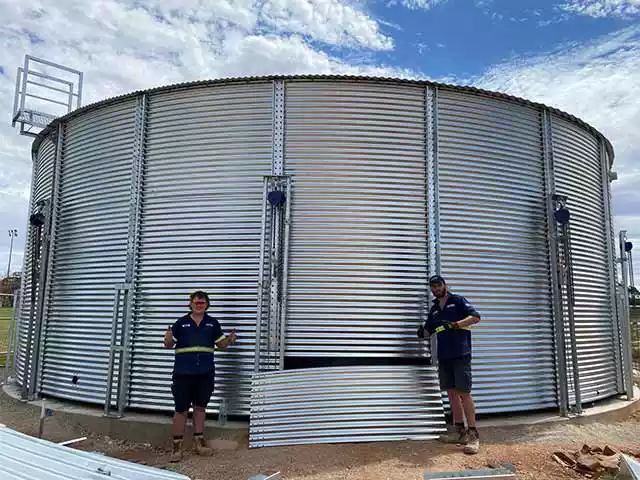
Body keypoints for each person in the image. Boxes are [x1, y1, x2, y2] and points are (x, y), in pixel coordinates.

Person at [163, 290, 237, 462]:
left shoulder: (212, 323)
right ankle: (177, 448)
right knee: (181, 410)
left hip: (205, 374)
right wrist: (167, 339)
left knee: (200, 408)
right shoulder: (181, 323)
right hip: (183, 374)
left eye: (202, 303)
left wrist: (230, 340)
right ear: (190, 304)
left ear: (207, 304)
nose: (199, 305)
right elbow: (168, 345)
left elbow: (222, 346)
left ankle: (199, 443)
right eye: (196, 302)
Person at [417, 275, 481, 455]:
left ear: (445, 285)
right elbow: (429, 330)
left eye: (439, 285)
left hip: (460, 354)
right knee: (452, 394)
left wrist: (455, 325)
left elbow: (475, 317)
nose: (436, 289)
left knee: (464, 393)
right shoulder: (435, 309)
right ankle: (459, 432)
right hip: (444, 356)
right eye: (433, 287)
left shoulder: (457, 301)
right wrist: (422, 333)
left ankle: (473, 435)